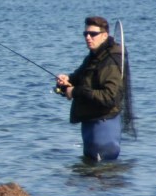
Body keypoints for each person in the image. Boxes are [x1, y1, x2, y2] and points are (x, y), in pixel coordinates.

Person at [56, 16, 130, 161]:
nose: (88, 38)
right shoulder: (94, 57)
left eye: (93, 34)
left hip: (104, 126)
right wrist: (66, 81)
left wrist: (75, 91)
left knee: (102, 172)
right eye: (85, 34)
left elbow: (109, 97)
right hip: (90, 125)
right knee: (88, 175)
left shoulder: (111, 60)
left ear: (104, 35)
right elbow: (79, 78)